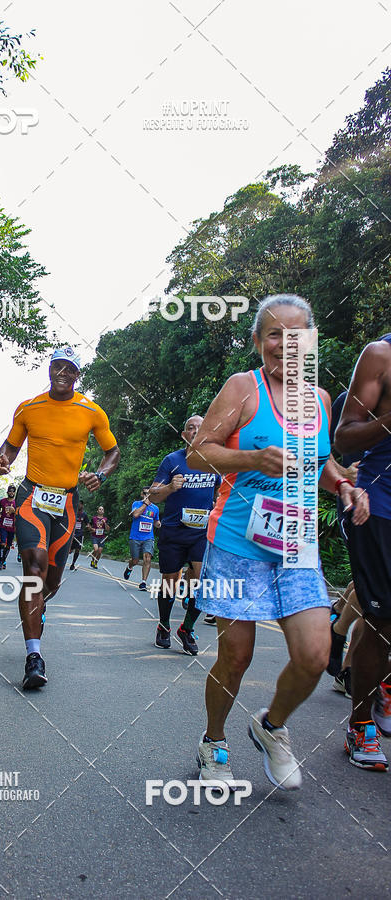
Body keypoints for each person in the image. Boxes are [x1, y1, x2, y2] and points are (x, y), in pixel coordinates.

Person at [186, 294, 368, 790]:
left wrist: (344, 485)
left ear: (310, 341)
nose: (284, 344)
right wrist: (250, 460)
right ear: (257, 341)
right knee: (237, 656)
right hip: (236, 544)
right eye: (273, 334)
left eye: (296, 335)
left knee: (314, 653)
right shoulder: (243, 389)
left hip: (297, 544)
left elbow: (321, 464)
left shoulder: (322, 399)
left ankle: (270, 726)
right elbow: (199, 454)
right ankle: (214, 740)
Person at [0, 347, 120, 689]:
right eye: (57, 367)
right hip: (32, 495)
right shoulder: (28, 408)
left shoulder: (91, 411)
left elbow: (112, 451)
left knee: (51, 582)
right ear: (49, 369)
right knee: (33, 568)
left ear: (77, 375)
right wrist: (0, 460)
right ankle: (34, 656)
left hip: (66, 502)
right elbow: (10, 448)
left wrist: (102, 474)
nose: (62, 373)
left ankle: (36, 609)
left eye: (69, 369)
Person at [335, 333, 391, 770]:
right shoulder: (380, 355)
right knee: (382, 620)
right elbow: (345, 438)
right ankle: (360, 725)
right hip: (380, 504)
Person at [149, 416, 221, 654]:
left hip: (202, 532)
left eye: (200, 428)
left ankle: (187, 628)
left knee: (203, 582)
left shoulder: (213, 461)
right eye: (190, 427)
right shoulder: (172, 460)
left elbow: (222, 492)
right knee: (171, 583)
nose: (195, 431)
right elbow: (153, 494)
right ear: (184, 434)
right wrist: (169, 488)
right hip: (174, 531)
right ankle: (163, 625)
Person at [327, 390, 364, 695]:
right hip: (359, 503)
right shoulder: (345, 400)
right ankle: (338, 631)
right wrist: (342, 473)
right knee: (375, 587)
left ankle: (348, 669)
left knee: (376, 593)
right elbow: (313, 453)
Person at [123, 487, 160, 590]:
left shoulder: (155, 508)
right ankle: (129, 567)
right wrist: (145, 504)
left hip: (148, 537)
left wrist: (158, 524)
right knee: (135, 560)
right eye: (145, 493)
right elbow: (135, 515)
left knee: (147, 558)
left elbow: (156, 521)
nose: (147, 496)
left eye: (149, 494)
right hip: (135, 537)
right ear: (141, 494)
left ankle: (143, 582)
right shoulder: (136, 504)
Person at [0, 485, 17, 570]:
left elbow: (20, 512)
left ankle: (4, 560)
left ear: (14, 493)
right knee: (2, 543)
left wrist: (15, 511)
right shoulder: (2, 501)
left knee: (8, 546)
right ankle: (1, 562)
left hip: (12, 527)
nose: (11, 493)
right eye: (10, 491)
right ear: (7, 492)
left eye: (13, 491)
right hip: (3, 525)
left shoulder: (17, 502)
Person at [69, 500, 89, 570]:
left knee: (77, 550)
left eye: (80, 504)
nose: (79, 505)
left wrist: (88, 527)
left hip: (80, 534)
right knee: (69, 550)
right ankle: (62, 561)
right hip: (71, 534)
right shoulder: (73, 513)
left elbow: (87, 523)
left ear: (82, 505)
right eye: (78, 504)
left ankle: (73, 564)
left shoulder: (84, 515)